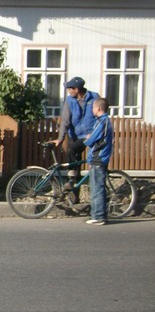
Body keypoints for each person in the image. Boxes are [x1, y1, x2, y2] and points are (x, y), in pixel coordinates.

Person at [50, 77, 100, 190]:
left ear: (76, 89)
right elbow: (65, 120)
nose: (68, 91)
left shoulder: (94, 98)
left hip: (90, 135)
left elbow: (100, 116)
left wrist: (96, 132)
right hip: (75, 135)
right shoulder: (69, 100)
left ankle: (82, 181)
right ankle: (73, 187)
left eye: (69, 89)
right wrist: (60, 138)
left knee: (91, 158)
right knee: (74, 157)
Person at [83, 97, 113, 226]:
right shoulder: (102, 121)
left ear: (99, 108)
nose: (92, 109)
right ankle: (97, 215)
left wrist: (87, 139)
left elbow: (91, 139)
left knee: (97, 188)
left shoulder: (103, 122)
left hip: (99, 158)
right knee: (96, 187)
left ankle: (99, 216)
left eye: (93, 107)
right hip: (97, 157)